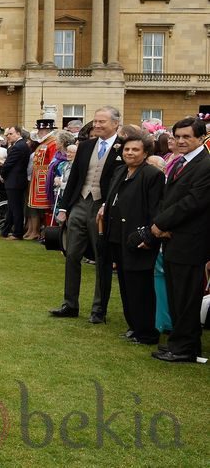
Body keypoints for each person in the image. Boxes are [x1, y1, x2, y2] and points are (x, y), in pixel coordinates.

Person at [50, 107, 123, 322]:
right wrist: (64, 207)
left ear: (115, 124)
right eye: (95, 121)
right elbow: (74, 177)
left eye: (102, 122)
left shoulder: (123, 148)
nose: (97, 125)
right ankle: (70, 304)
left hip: (103, 206)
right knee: (72, 254)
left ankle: (99, 310)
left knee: (102, 258)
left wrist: (109, 205)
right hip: (80, 203)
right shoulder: (86, 146)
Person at [149, 117, 210, 363]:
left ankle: (184, 347)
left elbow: (192, 203)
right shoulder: (178, 162)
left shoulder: (205, 165)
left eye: (187, 137)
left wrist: (160, 224)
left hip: (191, 240)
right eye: (178, 136)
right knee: (176, 293)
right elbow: (169, 199)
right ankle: (183, 342)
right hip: (174, 238)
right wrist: (161, 224)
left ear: (201, 138)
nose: (182, 141)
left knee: (186, 296)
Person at [101, 133, 164, 345]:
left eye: (135, 150)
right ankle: (134, 327)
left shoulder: (152, 175)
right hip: (118, 237)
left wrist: (149, 237)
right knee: (126, 286)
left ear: (146, 153)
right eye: (127, 149)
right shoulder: (120, 171)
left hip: (139, 238)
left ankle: (146, 333)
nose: (130, 153)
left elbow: (155, 210)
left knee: (141, 288)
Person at [0, 126, 31, 240]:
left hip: (15, 181)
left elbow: (8, 164)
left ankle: (17, 233)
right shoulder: (20, 145)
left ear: (18, 133)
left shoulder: (18, 146)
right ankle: (6, 230)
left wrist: (2, 174)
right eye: (8, 134)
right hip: (16, 180)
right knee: (12, 207)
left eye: (11, 134)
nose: (8, 136)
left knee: (15, 208)